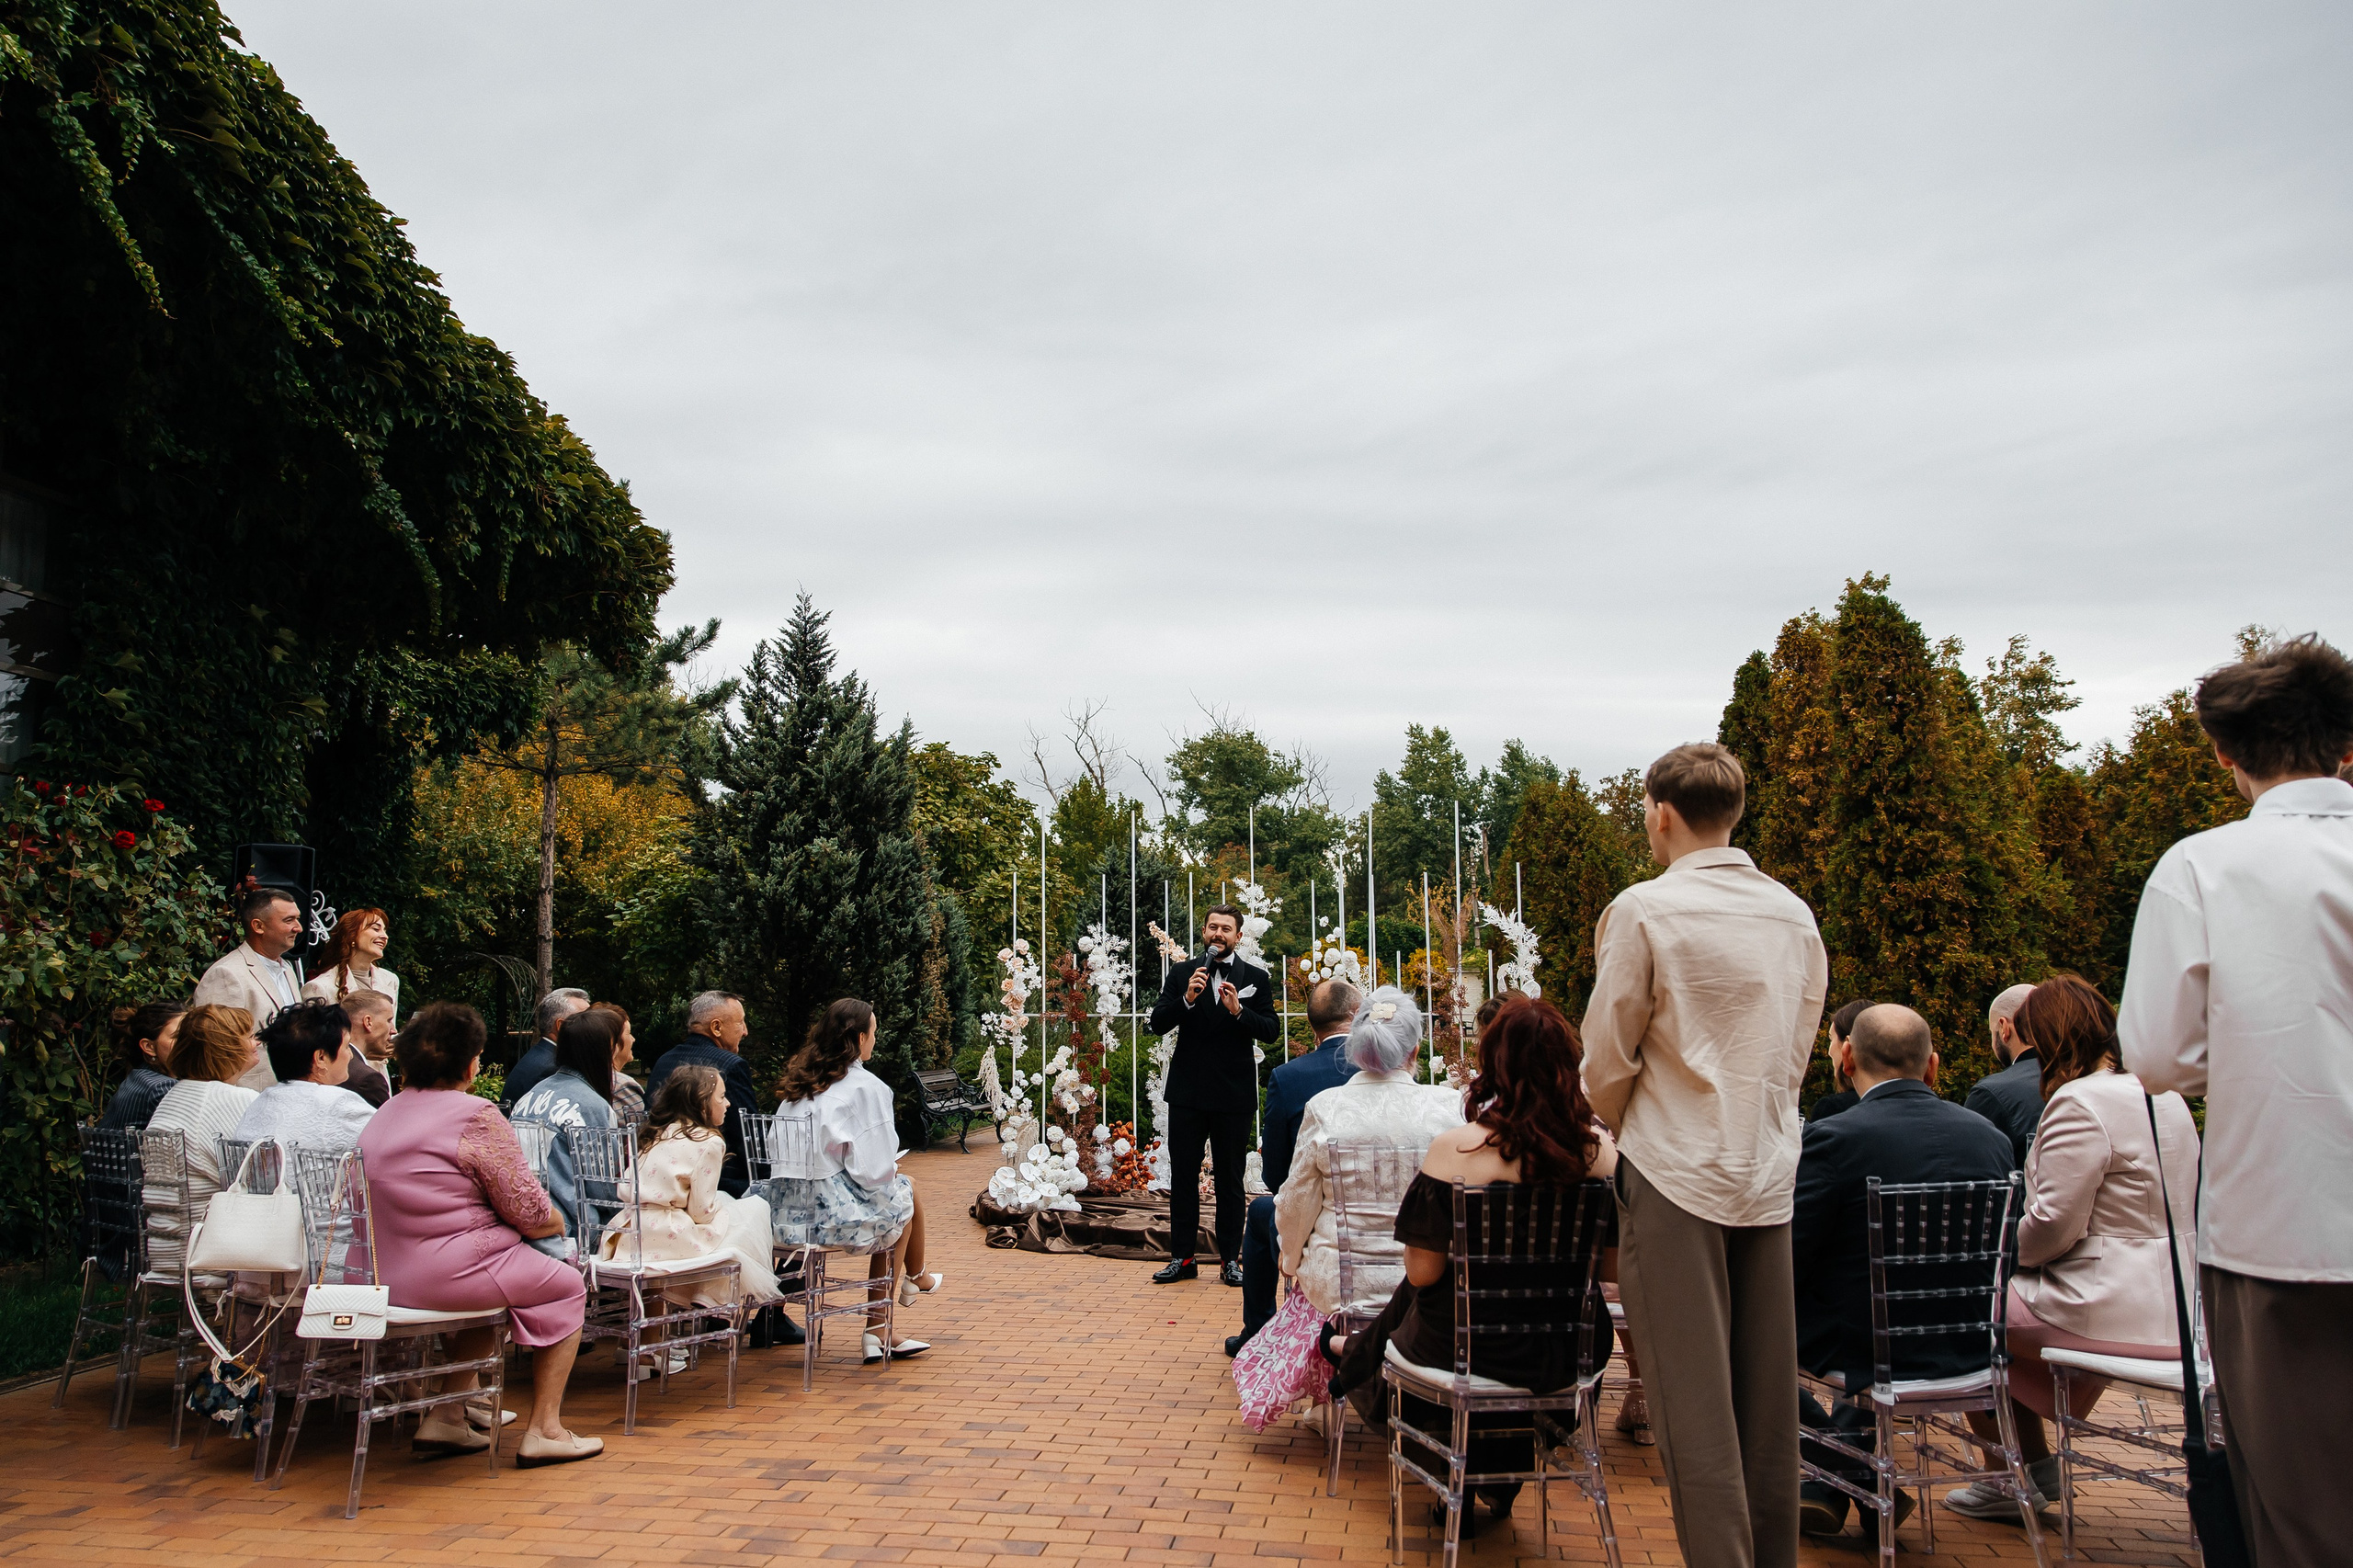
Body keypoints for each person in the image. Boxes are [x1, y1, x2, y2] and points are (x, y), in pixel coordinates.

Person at [2119, 633, 2353, 1568]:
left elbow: (2159, 1057)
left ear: (2224, 755)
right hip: (2280, 1222)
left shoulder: (2203, 868)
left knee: (2301, 1510)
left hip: (2280, 1224)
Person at [1581, 741, 1827, 1568]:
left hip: (1675, 1168)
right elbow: (1795, 1048)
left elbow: (1606, 1055)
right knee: (1766, 1398)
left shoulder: (1643, 909)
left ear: (1660, 814)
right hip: (1765, 1164)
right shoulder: (1792, 914)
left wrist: (1635, 1124)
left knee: (1693, 1405)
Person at [1326, 994, 1619, 1539]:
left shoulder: (1456, 1152)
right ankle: (1498, 1477)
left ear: (1493, 1064)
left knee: (1425, 1300)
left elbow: (1422, 1273)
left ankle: (1447, 1465)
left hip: (1467, 1347)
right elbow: (1613, 1269)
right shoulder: (1600, 1154)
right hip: (1567, 1349)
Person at [1941, 976, 2200, 1522]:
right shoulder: (2166, 1096)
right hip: (2178, 1309)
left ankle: (2005, 1477)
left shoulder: (2079, 1101)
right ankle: (2034, 1466)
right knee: (1991, 1309)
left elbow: (2052, 1225)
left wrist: (1998, 1256)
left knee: (1955, 1308)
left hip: (2104, 1306)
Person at [1788, 1004, 2018, 1537]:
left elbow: (1790, 1258)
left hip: (1869, 1348)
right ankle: (1857, 1483)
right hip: (1973, 1345)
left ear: (1847, 1058)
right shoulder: (1991, 1139)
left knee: (1732, 1337)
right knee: (1868, 1308)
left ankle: (1853, 1475)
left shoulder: (1834, 1138)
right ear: (1932, 1066)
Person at [359, 1001, 599, 1467]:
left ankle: (448, 1414)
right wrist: (557, 1220)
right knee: (567, 1286)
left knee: (502, 1288)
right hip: (454, 1273)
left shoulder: (385, 1111)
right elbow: (530, 1212)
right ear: (472, 1065)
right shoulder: (475, 1114)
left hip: (385, 1274)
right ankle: (546, 1430)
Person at [765, 998, 939, 1365]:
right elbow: (875, 1172)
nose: (876, 1039)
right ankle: (882, 1322)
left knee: (902, 1193)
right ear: (860, 1038)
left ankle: (913, 1283)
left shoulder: (800, 1084)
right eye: (874, 1032)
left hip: (779, 1215)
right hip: (827, 1219)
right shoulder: (865, 1087)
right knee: (902, 1198)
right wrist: (887, 1170)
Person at [1275, 986, 1464, 1324]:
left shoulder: (1324, 1108)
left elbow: (1297, 1204)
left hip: (1337, 1294)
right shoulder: (1450, 1109)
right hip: (1430, 1292)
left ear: (1356, 1048)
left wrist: (1290, 1258)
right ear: (1415, 1050)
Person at [1227, 976, 1363, 1356]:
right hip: (1385, 1217)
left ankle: (1257, 1331)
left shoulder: (1288, 1078)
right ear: (1356, 1015)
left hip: (1314, 1220)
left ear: (1313, 1025)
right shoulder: (1386, 1071)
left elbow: (1275, 1174)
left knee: (1260, 1211)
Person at [1146, 904, 1281, 1286]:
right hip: (1187, 1093)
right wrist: (1186, 1000)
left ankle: (1229, 1261)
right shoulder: (1182, 973)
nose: (1218, 934)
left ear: (1238, 936)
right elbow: (1157, 1023)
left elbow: (1271, 1030)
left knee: (1230, 1180)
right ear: (1204, 932)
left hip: (1232, 1094)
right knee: (1183, 1177)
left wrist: (1239, 1012)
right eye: (1212, 927)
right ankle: (1183, 1258)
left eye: (1226, 928)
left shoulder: (1255, 977)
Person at [599, 1063, 782, 1311]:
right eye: (722, 1097)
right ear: (703, 1103)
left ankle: (700, 1298)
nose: (728, 1103)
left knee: (727, 1204)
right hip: (669, 1236)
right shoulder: (708, 1141)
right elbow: (701, 1212)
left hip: (629, 1233)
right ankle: (711, 1293)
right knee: (755, 1209)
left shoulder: (655, 1133)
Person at [142, 1005, 263, 1276]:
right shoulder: (235, 1100)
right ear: (226, 1048)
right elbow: (266, 1177)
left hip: (167, 1246)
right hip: (211, 1251)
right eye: (248, 1036)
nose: (256, 1042)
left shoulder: (175, 1095)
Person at [508, 1007, 624, 1254]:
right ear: (607, 1050)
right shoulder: (592, 1106)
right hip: (573, 1232)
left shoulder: (531, 1094)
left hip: (523, 1225)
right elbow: (604, 1191)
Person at [649, 991, 762, 1197]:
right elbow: (749, 1136)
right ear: (716, 1027)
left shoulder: (663, 1061)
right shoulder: (731, 1065)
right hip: (719, 1184)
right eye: (740, 1023)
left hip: (664, 1180)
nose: (745, 1031)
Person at [191, 887, 305, 1089]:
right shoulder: (227, 974)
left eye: (297, 919)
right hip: (247, 1095)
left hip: (289, 1090)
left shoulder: (287, 969)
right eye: (289, 920)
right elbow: (215, 1051)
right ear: (258, 926)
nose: (299, 928)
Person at [231, 999, 375, 1151]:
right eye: (346, 1046)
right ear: (320, 1058)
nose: (350, 1055)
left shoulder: (259, 1103)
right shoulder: (338, 1103)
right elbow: (387, 1140)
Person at [1962, 983, 2043, 1166]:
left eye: (1992, 1033)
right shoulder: (2083, 1076)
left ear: (2004, 1028)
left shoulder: (1990, 1094)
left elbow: (1974, 1168)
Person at [301, 906, 400, 1019]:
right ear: (351, 936)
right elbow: (311, 1030)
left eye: (385, 931)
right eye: (376, 929)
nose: (385, 936)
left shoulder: (390, 980)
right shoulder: (320, 987)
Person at [99, 1001, 186, 1131]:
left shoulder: (141, 1078)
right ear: (149, 1047)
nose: (191, 1041)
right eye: (178, 1036)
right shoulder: (161, 1088)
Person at [506, 987, 590, 1106]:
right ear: (561, 1026)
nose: (592, 1025)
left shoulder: (541, 1055)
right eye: (584, 1019)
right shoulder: (553, 1068)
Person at [1804, 999, 1874, 1123]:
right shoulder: (1907, 1106)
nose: (1829, 1052)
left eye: (1831, 1039)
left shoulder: (1833, 1109)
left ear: (1847, 1047)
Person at [338, 988, 397, 1108]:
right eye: (389, 1020)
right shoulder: (368, 1080)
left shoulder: (330, 1064)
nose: (394, 1030)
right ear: (368, 1022)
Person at [588, 1003, 645, 1123]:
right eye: (628, 1033)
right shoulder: (622, 1087)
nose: (633, 1039)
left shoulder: (582, 1077)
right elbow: (640, 1131)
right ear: (613, 1043)